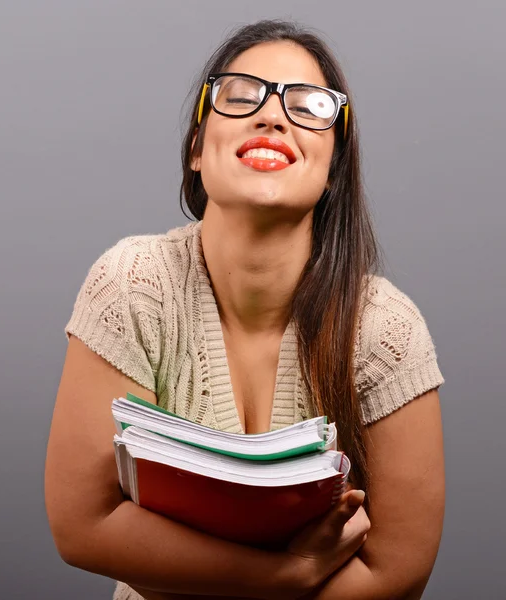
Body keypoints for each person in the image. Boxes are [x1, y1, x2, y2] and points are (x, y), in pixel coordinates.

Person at [45, 19, 446, 600]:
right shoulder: (132, 285)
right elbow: (84, 526)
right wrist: (287, 576)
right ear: (196, 149)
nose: (274, 115)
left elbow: (397, 571)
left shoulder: (387, 329)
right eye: (241, 95)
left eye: (310, 106)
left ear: (334, 168)